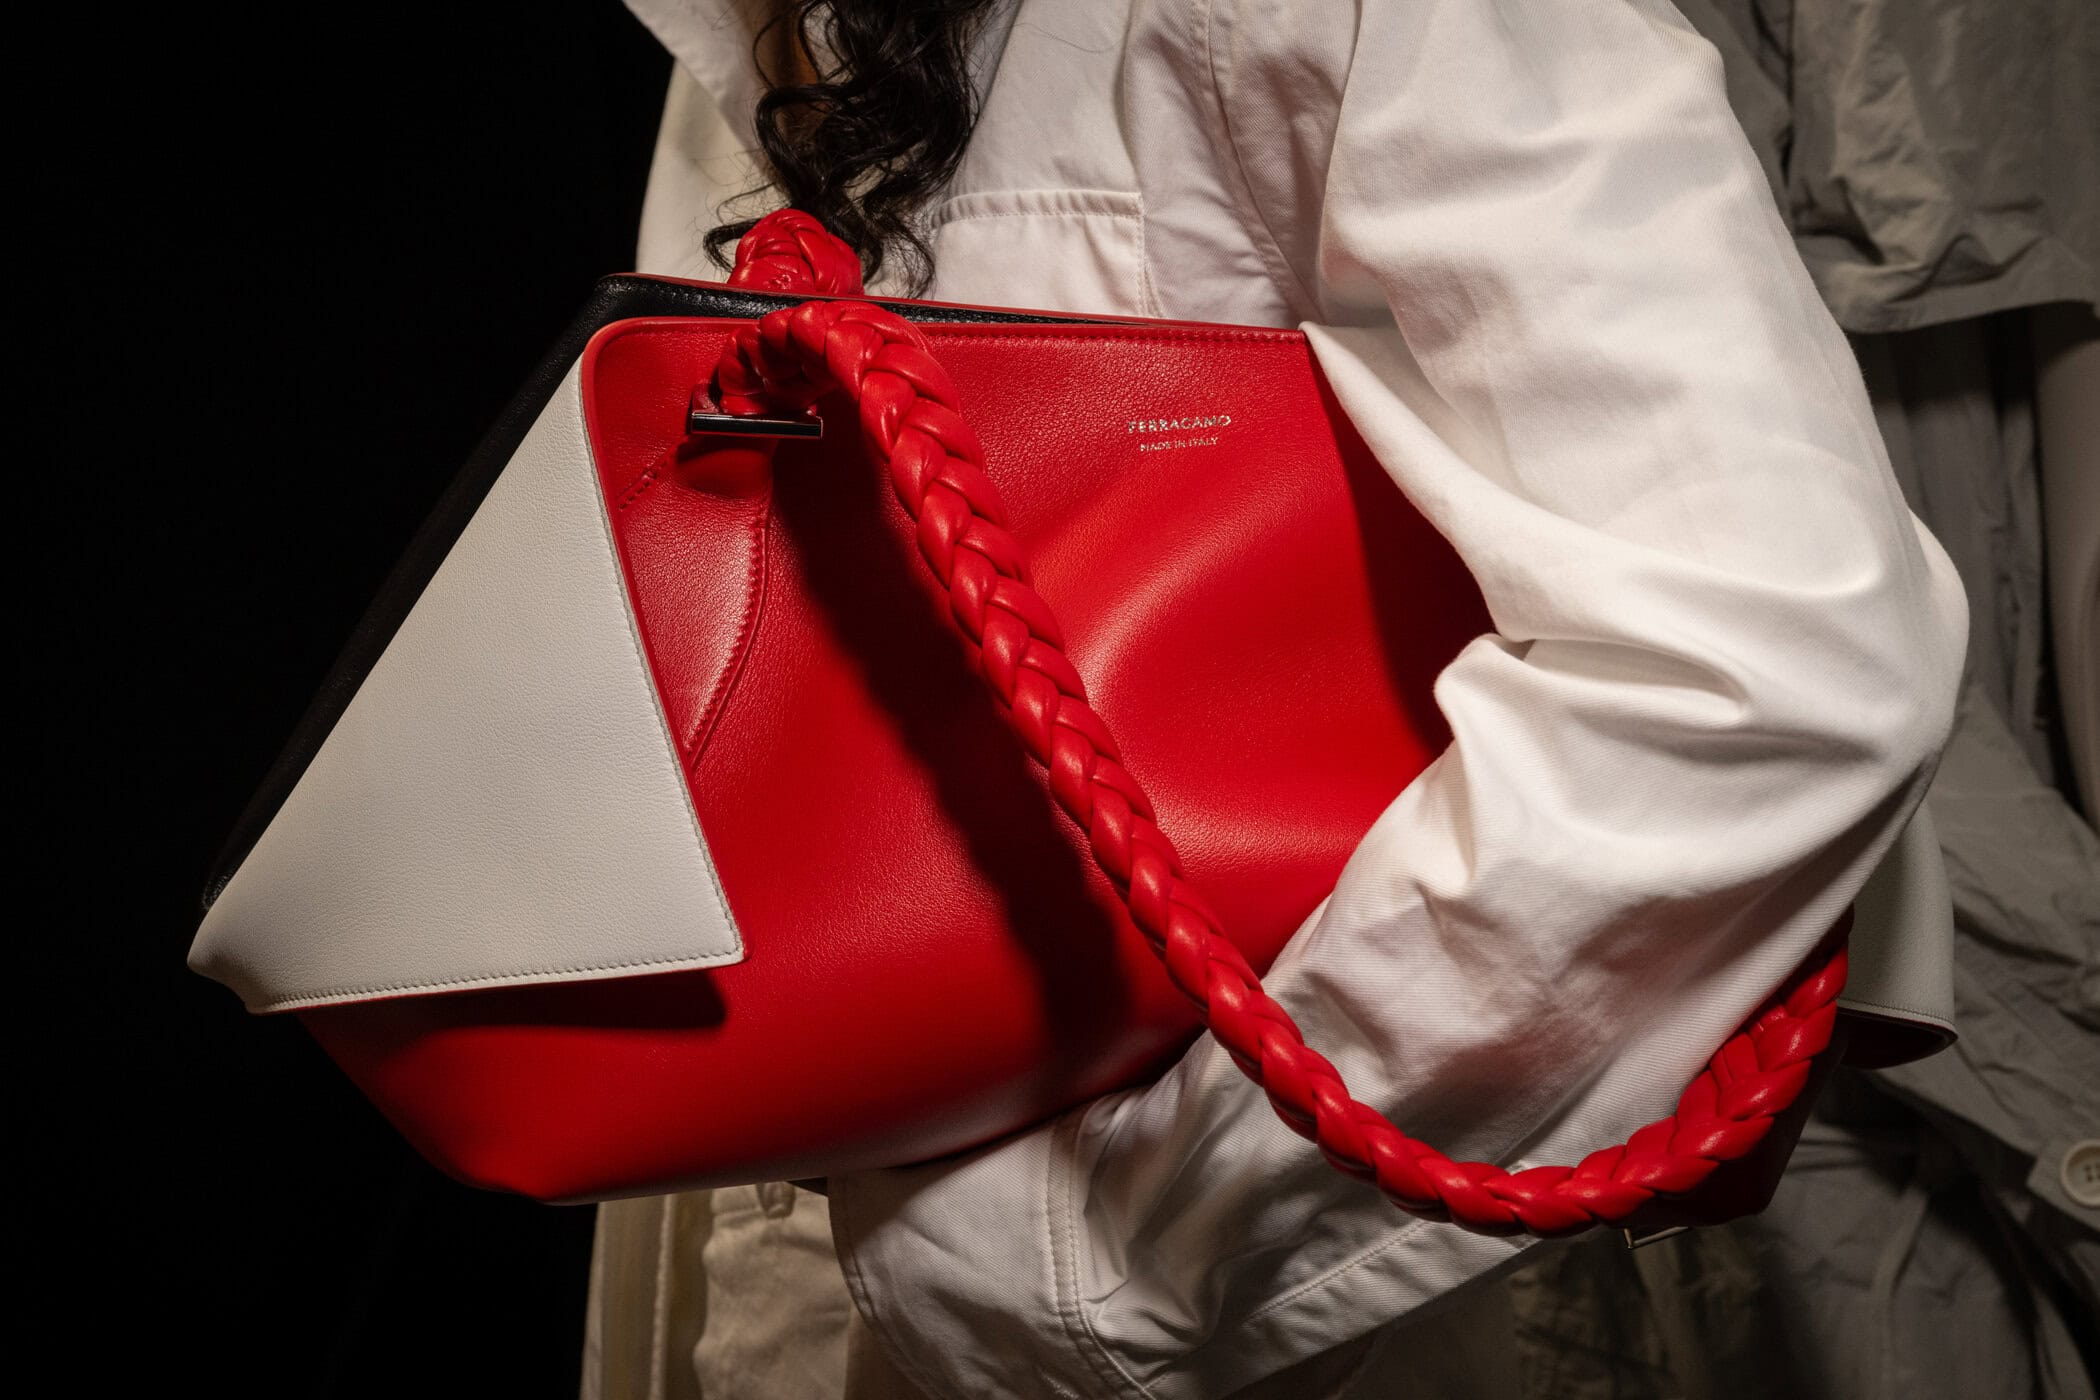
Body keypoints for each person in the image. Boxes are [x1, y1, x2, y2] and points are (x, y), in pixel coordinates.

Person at [586, 1, 1971, 1396]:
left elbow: (1768, 665)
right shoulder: (746, 41)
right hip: (807, 1197)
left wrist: (1080, 1261)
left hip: (1193, 1262)